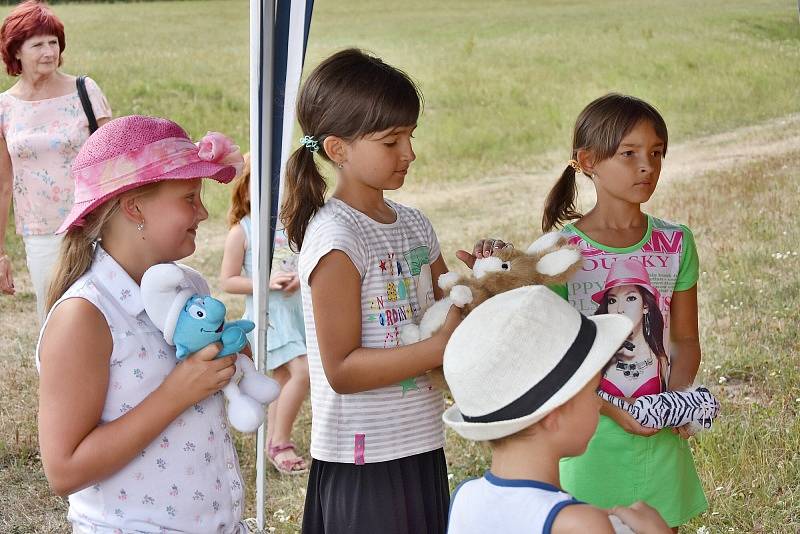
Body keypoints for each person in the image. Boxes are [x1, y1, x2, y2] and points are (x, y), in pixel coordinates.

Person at [36, 115, 249, 532]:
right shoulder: (84, 316)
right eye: (189, 197)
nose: (204, 212)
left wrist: (229, 358)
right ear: (134, 207)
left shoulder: (189, 284)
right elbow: (64, 470)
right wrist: (177, 393)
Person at [280, 48, 461, 534]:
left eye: (411, 136)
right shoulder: (337, 237)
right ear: (338, 149)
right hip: (364, 462)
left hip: (420, 444)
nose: (410, 153)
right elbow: (341, 369)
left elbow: (450, 308)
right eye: (391, 140)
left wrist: (480, 280)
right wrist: (435, 349)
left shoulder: (416, 226)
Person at [541, 93, 707, 531]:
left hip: (662, 434)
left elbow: (685, 339)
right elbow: (559, 360)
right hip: (590, 436)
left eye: (656, 154)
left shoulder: (676, 243)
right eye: (629, 154)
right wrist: (620, 412)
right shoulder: (561, 254)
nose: (647, 166)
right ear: (588, 160)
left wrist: (676, 399)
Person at [443, 285, 672, 534]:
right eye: (594, 391)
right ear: (553, 415)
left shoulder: (464, 498)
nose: (599, 403)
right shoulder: (580, 524)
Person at [0, 0, 112, 322]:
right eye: (38, 44)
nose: (49, 51)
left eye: (53, 43)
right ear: (16, 51)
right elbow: (4, 185)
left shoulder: (84, 90)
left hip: (92, 226)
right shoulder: (5, 107)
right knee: (54, 318)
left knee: (103, 317)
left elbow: (116, 155)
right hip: (40, 233)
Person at [219, 153, 310, 475]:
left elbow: (303, 262)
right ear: (245, 191)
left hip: (296, 313)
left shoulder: (295, 225)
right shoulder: (242, 231)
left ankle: (274, 438)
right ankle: (280, 443)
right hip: (271, 318)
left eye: (280, 186)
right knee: (302, 372)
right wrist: (265, 282)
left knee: (285, 379)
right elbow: (228, 280)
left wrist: (301, 278)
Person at [592, 258, 670, 396]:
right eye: (612, 300)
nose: (620, 309)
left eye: (630, 298)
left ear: (645, 305)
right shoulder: (597, 359)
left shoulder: (660, 361)